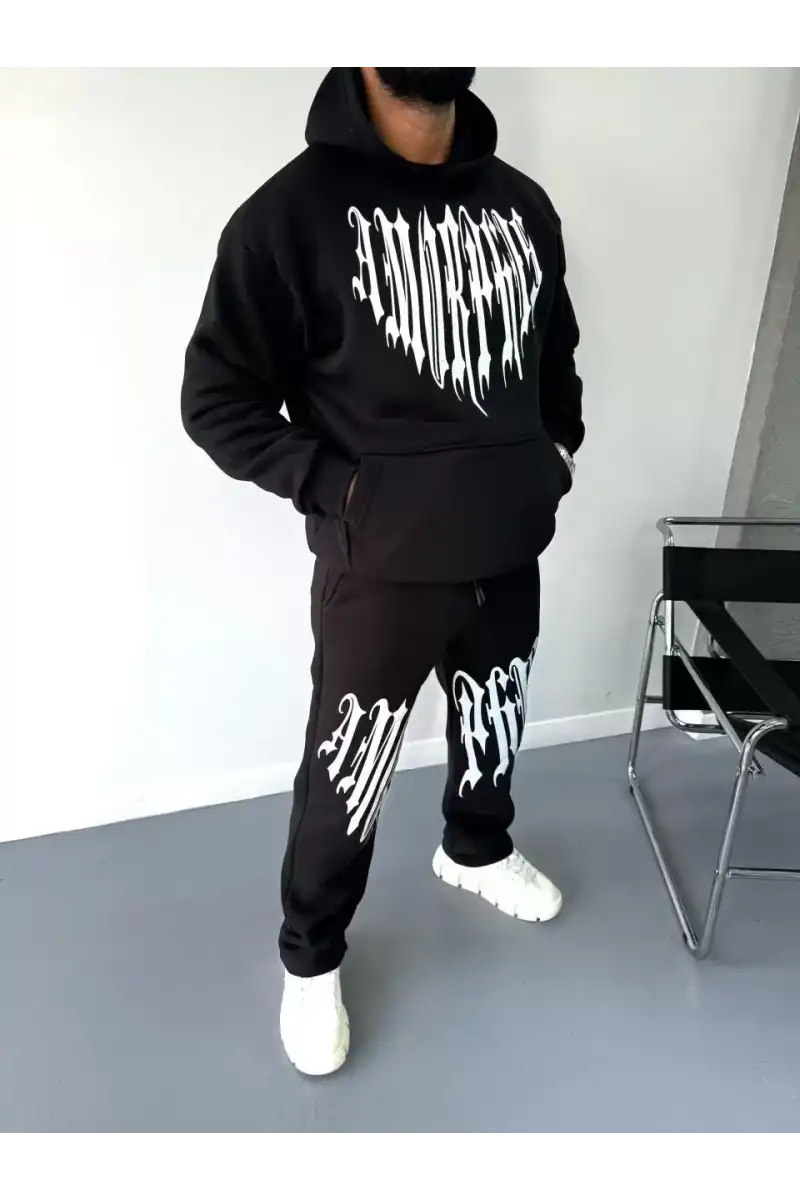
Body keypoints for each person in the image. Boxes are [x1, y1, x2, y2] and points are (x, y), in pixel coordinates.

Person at [181, 64, 584, 1076]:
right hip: (382, 565)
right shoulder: (286, 218)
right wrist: (345, 490)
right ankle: (311, 953)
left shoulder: (522, 205)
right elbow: (217, 401)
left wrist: (553, 455)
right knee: (348, 769)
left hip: (509, 541)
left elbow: (556, 356)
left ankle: (476, 846)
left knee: (497, 713)